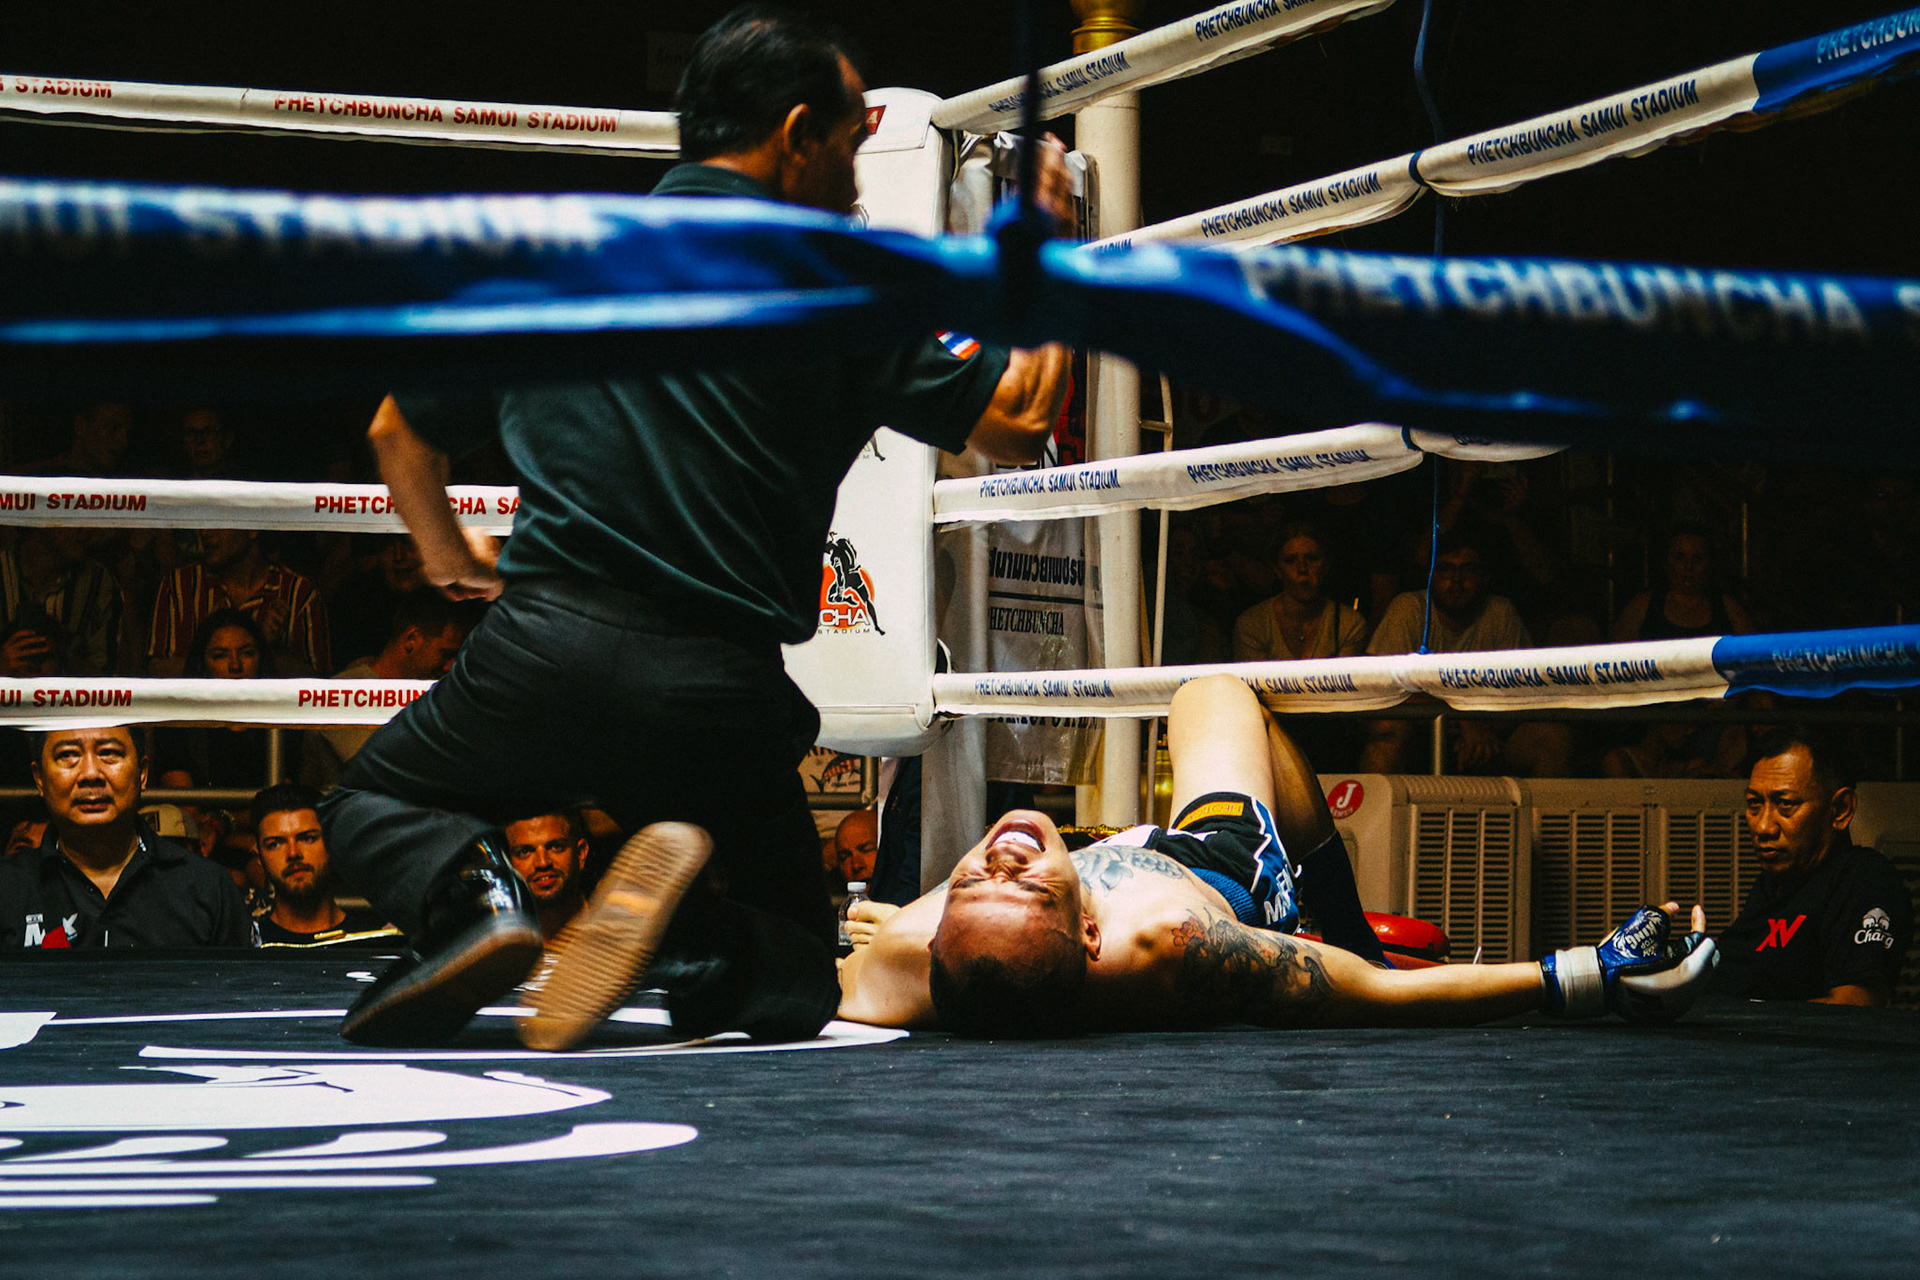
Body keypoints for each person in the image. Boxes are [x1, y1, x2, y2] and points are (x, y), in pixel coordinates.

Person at [318, 4, 1075, 1052]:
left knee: (373, 800)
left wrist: (453, 561)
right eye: (851, 140)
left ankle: (474, 901)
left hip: (542, 650)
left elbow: (397, 427)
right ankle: (692, 936)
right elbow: (1018, 421)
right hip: (718, 695)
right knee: (803, 972)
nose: (859, 173)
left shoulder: (561, 256)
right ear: (796, 132)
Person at [837, 675, 1716, 1034]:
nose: (1002, 854)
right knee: (1218, 691)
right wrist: (1589, 969)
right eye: (1024, 882)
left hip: (1118, 859)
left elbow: (791, 984)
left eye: (974, 877)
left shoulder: (906, 967)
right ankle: (1336, 907)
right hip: (1218, 865)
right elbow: (1378, 995)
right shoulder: (1176, 941)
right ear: (1091, 934)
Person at [0, 725, 253, 947]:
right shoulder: (8, 887)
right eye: (68, 755)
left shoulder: (206, 887)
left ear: (142, 772)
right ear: (40, 779)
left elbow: (242, 996)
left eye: (109, 753)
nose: (91, 774)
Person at [1714, 728, 1912, 1006]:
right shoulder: (1774, 883)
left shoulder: (1862, 879)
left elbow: (1857, 1004)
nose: (1762, 827)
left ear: (1841, 809)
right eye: (1754, 804)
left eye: (1785, 805)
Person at [1360, 530, 1571, 777]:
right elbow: (1380, 690)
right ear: (1431, 576)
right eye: (1445, 569)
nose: (1456, 580)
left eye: (1468, 569)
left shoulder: (1500, 612)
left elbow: (1524, 692)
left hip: (1488, 737)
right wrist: (1461, 721)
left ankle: (1539, 817)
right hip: (1420, 738)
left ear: (1485, 578)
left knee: (1554, 735)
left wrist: (1482, 729)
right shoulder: (1409, 609)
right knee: (1388, 729)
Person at [304, 590, 478, 786]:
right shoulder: (346, 690)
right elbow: (384, 771)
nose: (450, 666)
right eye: (445, 654)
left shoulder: (434, 694)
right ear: (412, 638)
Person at [149, 527, 330, 677]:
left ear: (252, 529)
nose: (205, 532)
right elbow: (156, 671)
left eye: (219, 523)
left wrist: (273, 652)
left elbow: (320, 683)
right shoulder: (181, 585)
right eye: (203, 522)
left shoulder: (297, 593)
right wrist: (207, 639)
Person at [153, 609, 298, 790]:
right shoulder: (177, 722)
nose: (235, 666)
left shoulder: (285, 719)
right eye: (220, 656)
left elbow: (283, 800)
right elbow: (184, 803)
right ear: (202, 664)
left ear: (261, 659)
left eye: (247, 653)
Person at [250, 784, 391, 946]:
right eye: (275, 844)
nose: (293, 853)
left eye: (308, 838)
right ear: (259, 857)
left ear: (331, 843)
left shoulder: (373, 943)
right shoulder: (250, 946)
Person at [1231, 522, 1369, 664]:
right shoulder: (1252, 624)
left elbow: (1346, 683)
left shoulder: (1350, 624)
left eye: (1312, 559)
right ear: (1277, 569)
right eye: (1290, 560)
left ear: (1326, 565)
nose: (1302, 569)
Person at [1610, 525, 1756, 642]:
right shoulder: (1641, 607)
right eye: (1679, 558)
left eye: (1697, 558)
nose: (1688, 567)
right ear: (1666, 563)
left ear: (1710, 563)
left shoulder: (1729, 609)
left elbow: (1752, 657)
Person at [504, 811, 593, 942]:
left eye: (556, 847)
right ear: (508, 862)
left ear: (580, 853)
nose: (543, 862)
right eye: (524, 852)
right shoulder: (500, 950)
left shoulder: (619, 933)